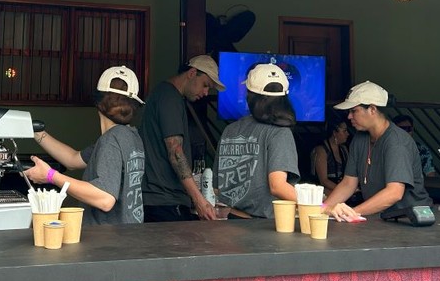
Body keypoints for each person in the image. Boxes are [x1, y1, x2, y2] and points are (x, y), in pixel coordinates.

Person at [27, 66, 145, 225]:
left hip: (109, 243)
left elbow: (105, 199)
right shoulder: (131, 136)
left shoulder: (111, 140)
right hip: (127, 238)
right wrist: (36, 132)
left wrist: (50, 176)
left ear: (98, 102)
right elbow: (72, 159)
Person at [321, 81, 432, 222]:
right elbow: (349, 182)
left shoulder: (396, 142)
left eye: (354, 111)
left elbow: (394, 193)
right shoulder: (360, 138)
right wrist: (323, 210)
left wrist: (351, 213)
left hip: (410, 220)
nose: (349, 117)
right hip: (383, 219)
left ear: (372, 109)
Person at [140, 55, 224, 222]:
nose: (206, 92)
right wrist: (199, 200)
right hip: (165, 201)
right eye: (205, 85)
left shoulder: (164, 94)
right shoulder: (170, 98)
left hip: (160, 200)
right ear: (192, 73)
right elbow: (176, 152)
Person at [215, 64, 300, 218]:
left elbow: (217, 187)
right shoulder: (280, 132)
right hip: (262, 227)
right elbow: (277, 186)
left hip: (232, 219)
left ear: (250, 95)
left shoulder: (230, 130)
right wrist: (321, 206)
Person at [311, 115, 350, 195]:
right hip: (324, 194)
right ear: (335, 133)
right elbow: (323, 181)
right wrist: (343, 190)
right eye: (344, 131)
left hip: (341, 191)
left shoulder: (344, 149)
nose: (348, 134)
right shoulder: (321, 150)